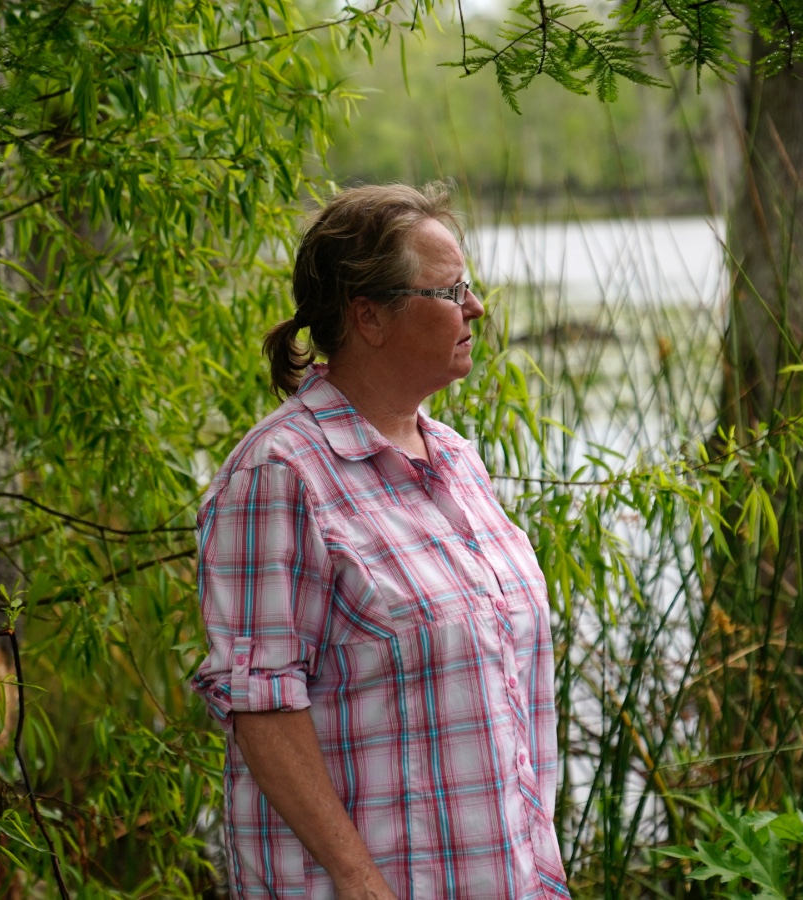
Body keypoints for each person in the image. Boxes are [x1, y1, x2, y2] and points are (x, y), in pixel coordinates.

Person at [189, 183, 570, 899]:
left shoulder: (457, 459)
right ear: (369, 316)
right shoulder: (281, 474)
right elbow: (261, 705)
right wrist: (359, 880)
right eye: (451, 290)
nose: (475, 308)